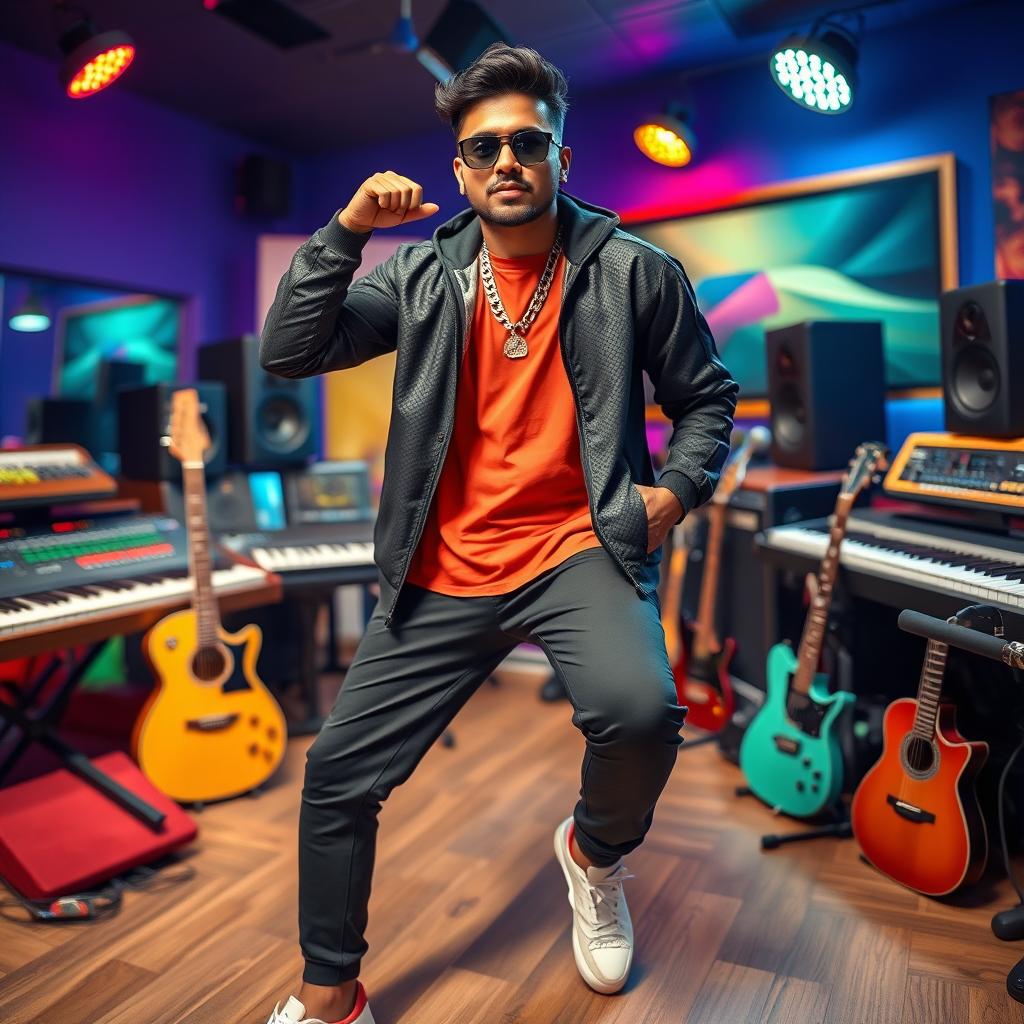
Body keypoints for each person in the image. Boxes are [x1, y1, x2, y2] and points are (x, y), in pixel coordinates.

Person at [259, 43, 737, 1024]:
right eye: (484, 149)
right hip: (443, 562)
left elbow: (706, 398)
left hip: (577, 549)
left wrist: (677, 489)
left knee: (642, 712)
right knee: (338, 774)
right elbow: (289, 350)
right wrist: (346, 229)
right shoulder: (424, 278)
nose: (506, 162)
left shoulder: (636, 272)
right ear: (460, 172)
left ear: (563, 156)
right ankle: (328, 992)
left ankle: (593, 857)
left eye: (528, 141)